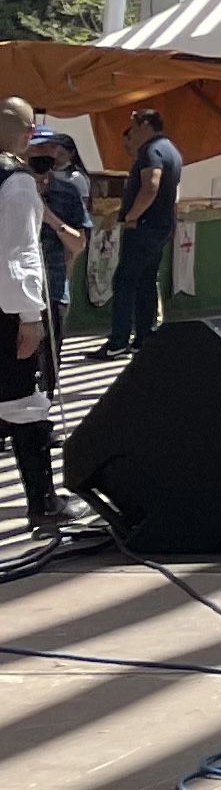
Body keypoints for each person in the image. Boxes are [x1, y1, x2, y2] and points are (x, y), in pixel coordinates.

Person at [0, 100, 61, 543]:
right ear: (24, 132)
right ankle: (44, 504)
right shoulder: (16, 183)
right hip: (4, 310)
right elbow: (19, 255)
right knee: (24, 404)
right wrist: (30, 315)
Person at [104, 102, 180, 356]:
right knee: (146, 280)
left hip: (144, 226)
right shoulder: (171, 150)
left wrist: (131, 216)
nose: (132, 133)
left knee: (125, 281)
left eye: (134, 127)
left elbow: (151, 185)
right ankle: (144, 337)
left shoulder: (150, 151)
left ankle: (118, 341)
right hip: (160, 227)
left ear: (146, 125)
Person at [30, 133, 90, 378]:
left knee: (49, 365)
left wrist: (50, 218)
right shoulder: (8, 188)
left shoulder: (67, 192)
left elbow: (78, 244)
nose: (47, 152)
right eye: (39, 147)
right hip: (16, 291)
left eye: (51, 147)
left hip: (53, 287)